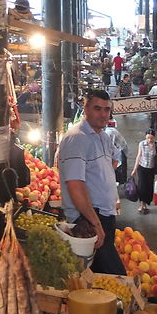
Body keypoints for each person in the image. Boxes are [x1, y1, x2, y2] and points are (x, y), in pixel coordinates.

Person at [57, 90, 126, 275]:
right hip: (88, 218)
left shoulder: (102, 135)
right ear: (85, 108)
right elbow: (75, 184)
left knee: (98, 278)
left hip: (104, 214)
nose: (103, 114)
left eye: (107, 109)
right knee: (115, 276)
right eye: (97, 108)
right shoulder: (76, 139)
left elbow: (110, 164)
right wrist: (95, 224)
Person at [131, 129, 157, 215]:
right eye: (148, 138)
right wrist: (135, 169)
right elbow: (138, 157)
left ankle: (146, 204)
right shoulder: (142, 144)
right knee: (142, 186)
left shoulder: (156, 145)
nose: (150, 140)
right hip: (142, 168)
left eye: (151, 138)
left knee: (149, 187)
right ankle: (142, 204)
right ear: (145, 137)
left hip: (151, 169)